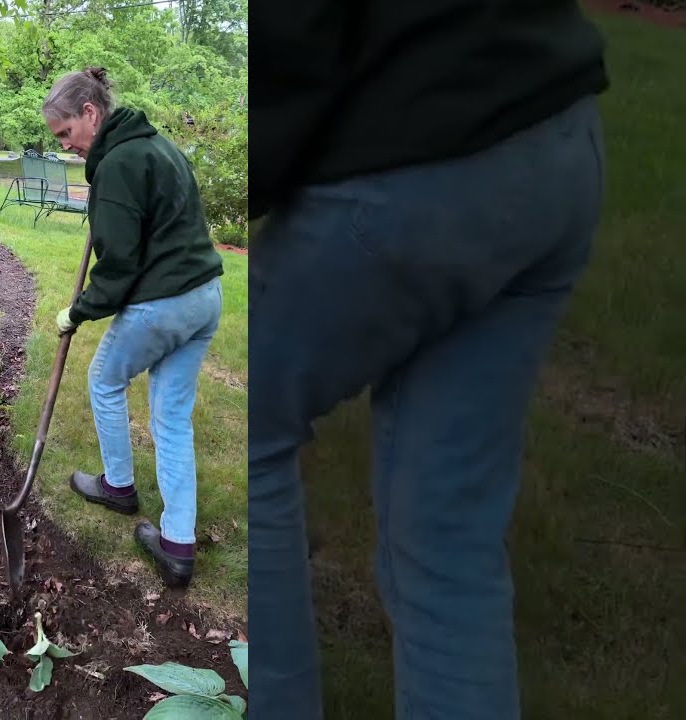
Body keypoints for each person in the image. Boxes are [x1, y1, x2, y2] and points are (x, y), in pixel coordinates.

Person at [247, 0, 609, 718]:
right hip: (555, 136)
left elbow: (288, 34)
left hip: (418, 160)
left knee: (239, 417)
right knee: (447, 531)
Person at [40, 67, 224, 589]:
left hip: (165, 303)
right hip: (205, 298)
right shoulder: (157, 146)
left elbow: (118, 266)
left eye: (66, 133)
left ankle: (119, 487)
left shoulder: (117, 164)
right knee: (170, 417)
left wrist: (77, 312)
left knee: (104, 380)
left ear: (90, 114)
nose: (67, 146)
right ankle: (177, 545)